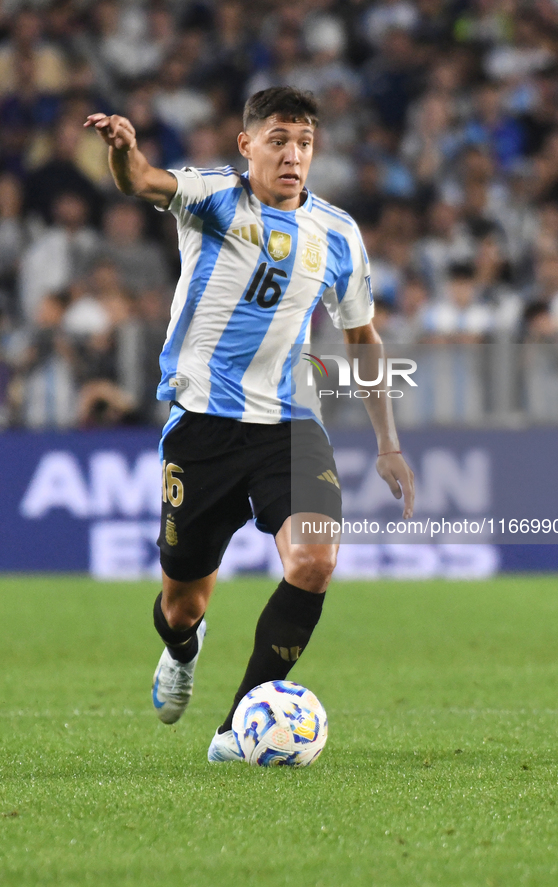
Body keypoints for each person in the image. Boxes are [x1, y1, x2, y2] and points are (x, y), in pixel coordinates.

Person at [84, 86, 414, 762]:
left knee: (315, 560)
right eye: (278, 140)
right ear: (247, 145)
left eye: (304, 142)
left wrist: (388, 441)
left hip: (288, 425)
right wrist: (124, 152)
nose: (293, 155)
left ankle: (238, 726)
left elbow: (362, 339)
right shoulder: (211, 197)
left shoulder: (338, 234)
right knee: (182, 603)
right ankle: (181, 649)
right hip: (201, 426)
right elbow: (142, 180)